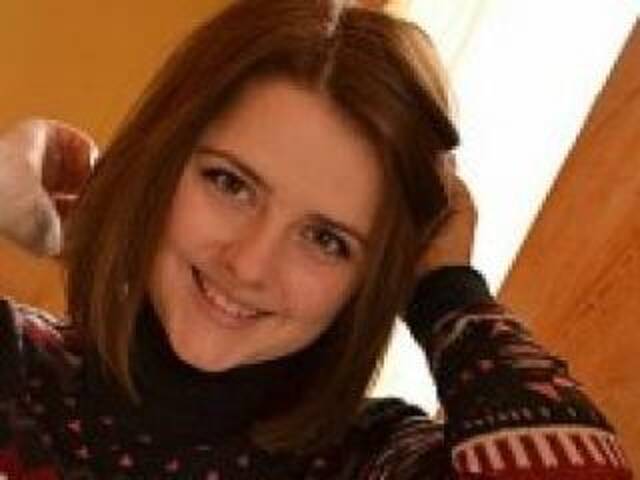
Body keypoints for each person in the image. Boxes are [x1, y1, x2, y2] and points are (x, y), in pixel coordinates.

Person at [0, 0, 633, 478]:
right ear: (159, 163)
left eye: (327, 239)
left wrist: (448, 294)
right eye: (229, 183)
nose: (250, 264)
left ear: (375, 278)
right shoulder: (19, 373)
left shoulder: (371, 462)